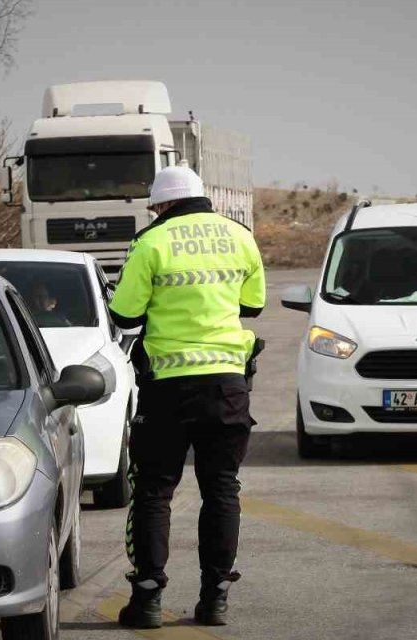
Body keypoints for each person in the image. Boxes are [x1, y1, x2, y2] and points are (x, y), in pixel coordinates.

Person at [108, 165, 265, 629]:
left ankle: (148, 599)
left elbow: (124, 315)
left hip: (167, 389)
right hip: (227, 386)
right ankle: (215, 598)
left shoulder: (151, 243)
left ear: (161, 204)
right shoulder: (240, 237)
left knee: (154, 492)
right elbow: (251, 306)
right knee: (221, 489)